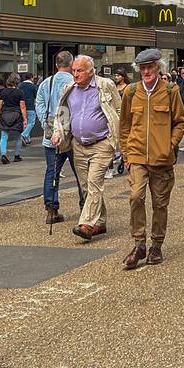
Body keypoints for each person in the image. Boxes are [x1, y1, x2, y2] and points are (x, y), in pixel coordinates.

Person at [117, 48, 184, 269]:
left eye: (150, 67)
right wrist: (126, 153)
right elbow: (125, 125)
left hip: (162, 158)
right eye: (143, 68)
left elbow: (181, 122)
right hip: (137, 155)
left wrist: (170, 145)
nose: (146, 71)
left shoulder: (170, 91)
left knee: (160, 204)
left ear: (158, 68)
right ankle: (139, 243)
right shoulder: (130, 92)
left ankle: (156, 245)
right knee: (136, 197)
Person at [51, 56, 122, 242]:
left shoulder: (105, 85)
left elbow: (119, 110)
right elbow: (62, 115)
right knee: (87, 187)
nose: (75, 74)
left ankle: (87, 224)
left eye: (80, 70)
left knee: (94, 182)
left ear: (91, 71)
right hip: (78, 144)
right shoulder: (69, 89)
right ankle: (101, 222)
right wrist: (58, 132)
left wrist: (119, 137)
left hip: (102, 143)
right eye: (74, 70)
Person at [34, 52, 80, 225]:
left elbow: (39, 104)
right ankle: (85, 207)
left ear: (56, 65)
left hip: (52, 134)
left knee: (51, 172)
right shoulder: (74, 82)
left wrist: (47, 122)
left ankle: (51, 209)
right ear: (72, 64)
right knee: (80, 172)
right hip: (73, 133)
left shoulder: (47, 83)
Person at [0, 72, 27, 163]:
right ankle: (17, 155)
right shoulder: (20, 92)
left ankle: (3, 155)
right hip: (16, 115)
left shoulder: (3, 92)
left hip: (5, 114)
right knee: (18, 136)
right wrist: (25, 119)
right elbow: (22, 107)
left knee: (4, 136)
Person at [19, 73, 39, 144]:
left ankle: (27, 139)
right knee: (31, 122)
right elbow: (37, 96)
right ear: (31, 78)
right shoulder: (33, 86)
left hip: (21, 107)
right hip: (30, 106)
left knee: (25, 122)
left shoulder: (20, 85)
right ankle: (24, 135)